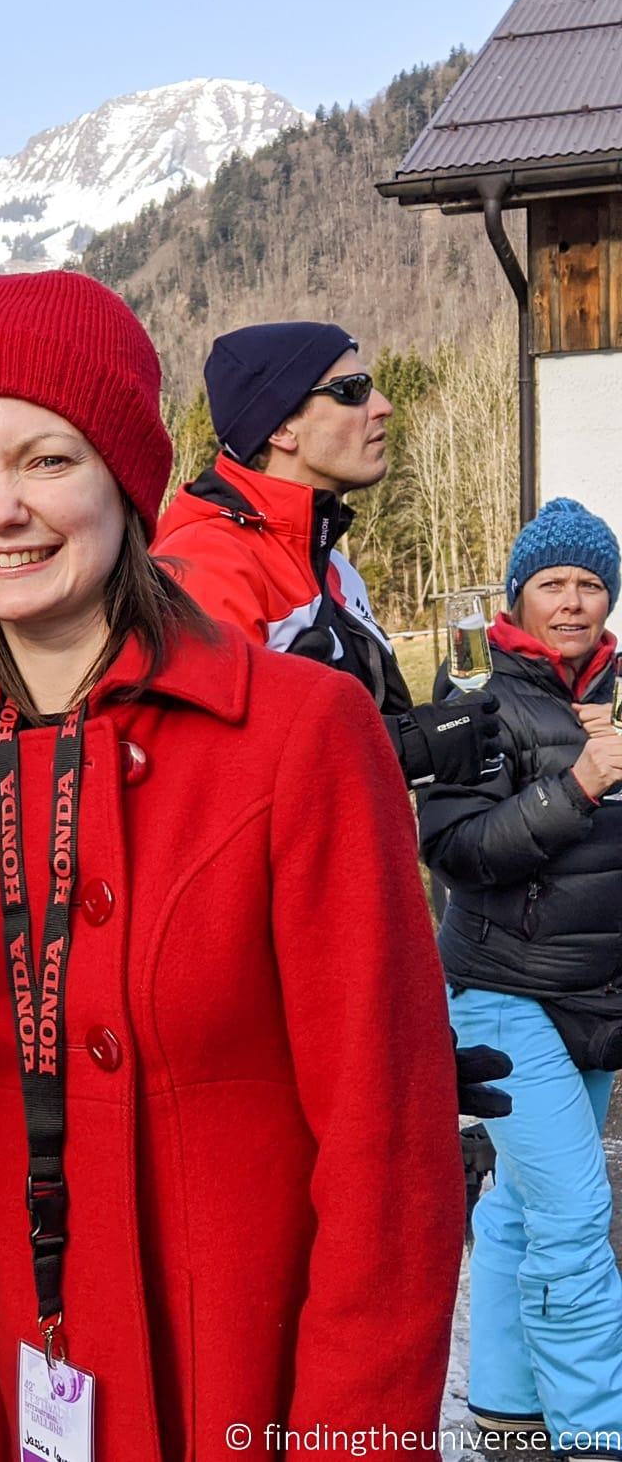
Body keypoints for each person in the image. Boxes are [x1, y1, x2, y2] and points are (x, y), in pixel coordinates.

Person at [0, 271, 464, 1458]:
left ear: (124, 478)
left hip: (245, 1384)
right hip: (32, 1381)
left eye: (44, 461)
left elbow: (391, 1157)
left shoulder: (296, 732)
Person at [153, 320, 514, 1122]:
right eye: (351, 392)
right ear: (280, 426)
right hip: (262, 991)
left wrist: (431, 743)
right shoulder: (207, 564)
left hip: (346, 945)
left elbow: (349, 739)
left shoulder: (328, 560)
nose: (381, 406)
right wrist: (411, 746)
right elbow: (215, 786)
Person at [418, 498, 622, 1457]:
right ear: (518, 597)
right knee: (577, 1218)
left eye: (591, 583)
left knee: (517, 1208)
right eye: (554, 583)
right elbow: (456, 850)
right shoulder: (472, 696)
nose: (575, 601)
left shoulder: (620, 694)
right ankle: (596, 1436)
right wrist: (581, 780)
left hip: (599, 999)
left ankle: (507, 1414)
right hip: (503, 990)